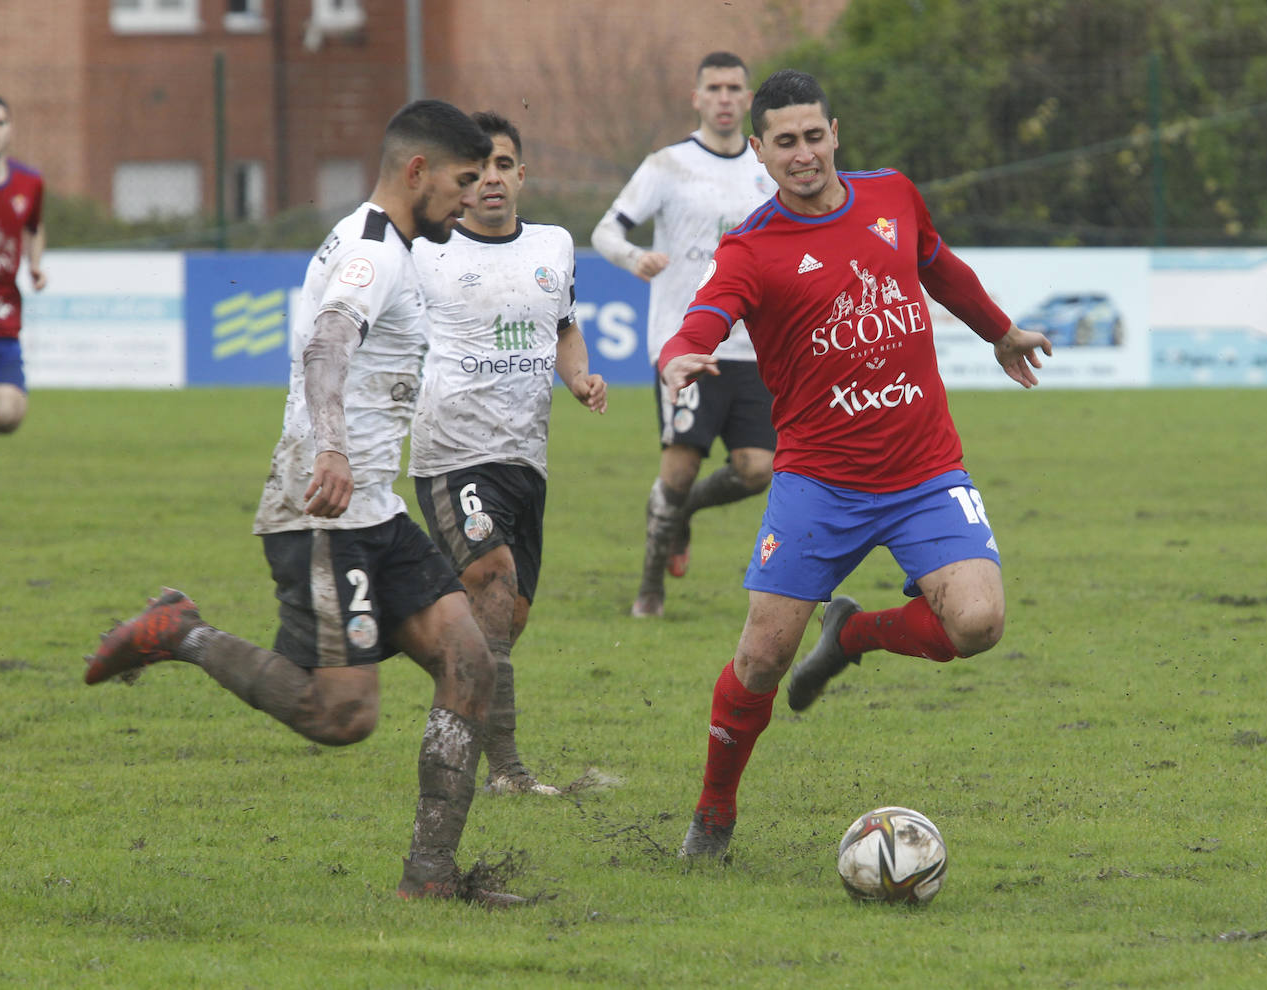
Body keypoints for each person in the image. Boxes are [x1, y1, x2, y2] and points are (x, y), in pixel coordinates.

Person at [83, 101, 527, 906]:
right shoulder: (372, 253)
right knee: (340, 715)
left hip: (374, 506)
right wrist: (329, 445)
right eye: (464, 180)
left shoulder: (395, 244)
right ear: (417, 172)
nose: (471, 197)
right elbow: (326, 343)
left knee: (469, 661)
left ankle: (428, 877)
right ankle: (181, 633)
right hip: (321, 504)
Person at [660, 70, 1053, 860]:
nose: (803, 154)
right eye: (785, 143)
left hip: (925, 471)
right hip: (819, 483)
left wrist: (999, 331)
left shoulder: (894, 196)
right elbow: (705, 312)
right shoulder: (754, 245)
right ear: (762, 154)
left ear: (834, 132)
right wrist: (681, 353)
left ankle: (854, 636)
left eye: (814, 136)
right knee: (761, 657)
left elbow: (938, 264)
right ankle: (714, 813)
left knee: (977, 624)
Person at [410, 111, 607, 797]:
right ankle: (505, 772)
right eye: (478, 169)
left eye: (503, 165)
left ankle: (408, 643)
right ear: (460, 182)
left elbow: (565, 326)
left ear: (522, 175)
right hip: (452, 452)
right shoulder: (426, 252)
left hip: (527, 460)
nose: (491, 179)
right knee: (492, 581)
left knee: (504, 621)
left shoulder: (554, 245)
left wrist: (578, 376)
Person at [591, 52, 778, 618]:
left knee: (757, 469)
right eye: (714, 88)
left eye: (734, 88)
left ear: (748, 101)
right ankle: (650, 585)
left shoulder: (767, 167)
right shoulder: (666, 166)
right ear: (696, 98)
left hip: (754, 346)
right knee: (679, 466)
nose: (724, 97)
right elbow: (606, 230)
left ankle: (683, 515)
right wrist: (635, 256)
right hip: (686, 344)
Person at [0, 92, 46, 437]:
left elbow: (35, 225)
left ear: (10, 129)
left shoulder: (29, 183)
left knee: (7, 416)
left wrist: (35, 264)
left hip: (2, 319)